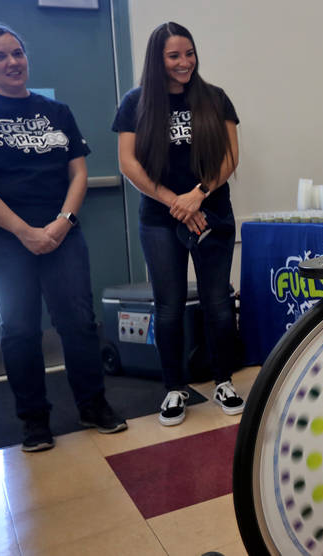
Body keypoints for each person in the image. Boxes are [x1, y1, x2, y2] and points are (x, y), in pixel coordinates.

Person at [0, 23, 127, 452]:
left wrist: (62, 222)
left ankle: (93, 405)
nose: (12, 63)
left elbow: (78, 172)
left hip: (60, 230)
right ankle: (34, 421)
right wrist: (24, 231)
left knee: (77, 322)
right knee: (21, 328)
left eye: (17, 53)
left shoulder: (55, 112)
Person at [113, 21, 244, 426]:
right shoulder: (136, 103)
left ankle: (224, 381)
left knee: (219, 305)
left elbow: (230, 156)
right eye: (174, 56)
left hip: (212, 213)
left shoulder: (215, 98)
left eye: (189, 53)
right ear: (158, 59)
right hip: (160, 219)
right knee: (167, 308)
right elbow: (128, 163)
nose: (184, 62)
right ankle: (174, 389)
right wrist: (175, 202)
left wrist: (197, 194)